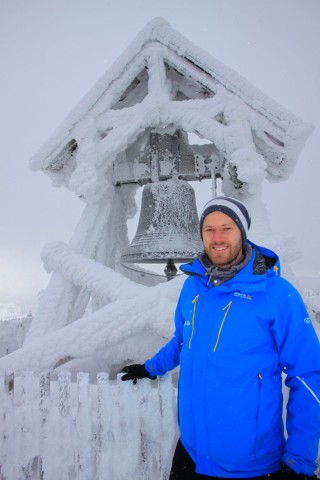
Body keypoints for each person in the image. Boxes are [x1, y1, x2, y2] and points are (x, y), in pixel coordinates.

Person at [121, 196, 320, 479]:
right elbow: (182, 340)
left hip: (250, 466)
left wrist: (300, 462)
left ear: (242, 232)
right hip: (191, 452)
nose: (217, 238)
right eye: (209, 229)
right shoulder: (193, 287)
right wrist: (151, 368)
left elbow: (308, 374)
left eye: (227, 228)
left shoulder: (276, 294)